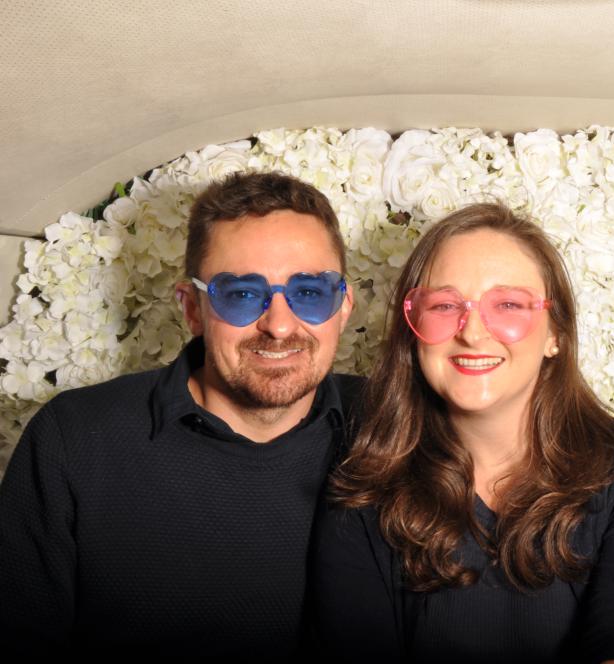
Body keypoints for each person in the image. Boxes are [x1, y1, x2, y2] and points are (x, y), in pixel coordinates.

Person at [314, 202, 614, 662]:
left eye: (508, 305)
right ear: (413, 328)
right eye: (445, 305)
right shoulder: (362, 482)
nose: (473, 333)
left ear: (556, 334)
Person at [0, 171, 360, 657]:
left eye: (310, 293)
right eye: (241, 294)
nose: (278, 326)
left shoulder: (393, 423)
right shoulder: (75, 438)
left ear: (343, 307)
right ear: (192, 309)